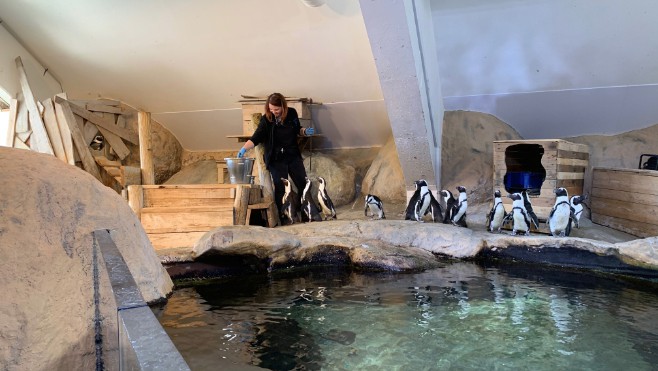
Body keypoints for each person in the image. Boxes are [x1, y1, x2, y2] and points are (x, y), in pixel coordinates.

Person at [237, 93, 315, 223]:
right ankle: (284, 216)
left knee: (303, 183)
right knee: (280, 187)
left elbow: (297, 129)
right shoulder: (266, 119)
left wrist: (305, 131)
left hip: (292, 154)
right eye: (271, 109)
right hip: (276, 158)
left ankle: (306, 212)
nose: (274, 112)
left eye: (277, 109)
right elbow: (256, 137)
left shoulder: (291, 113)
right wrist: (244, 148)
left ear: (283, 107)